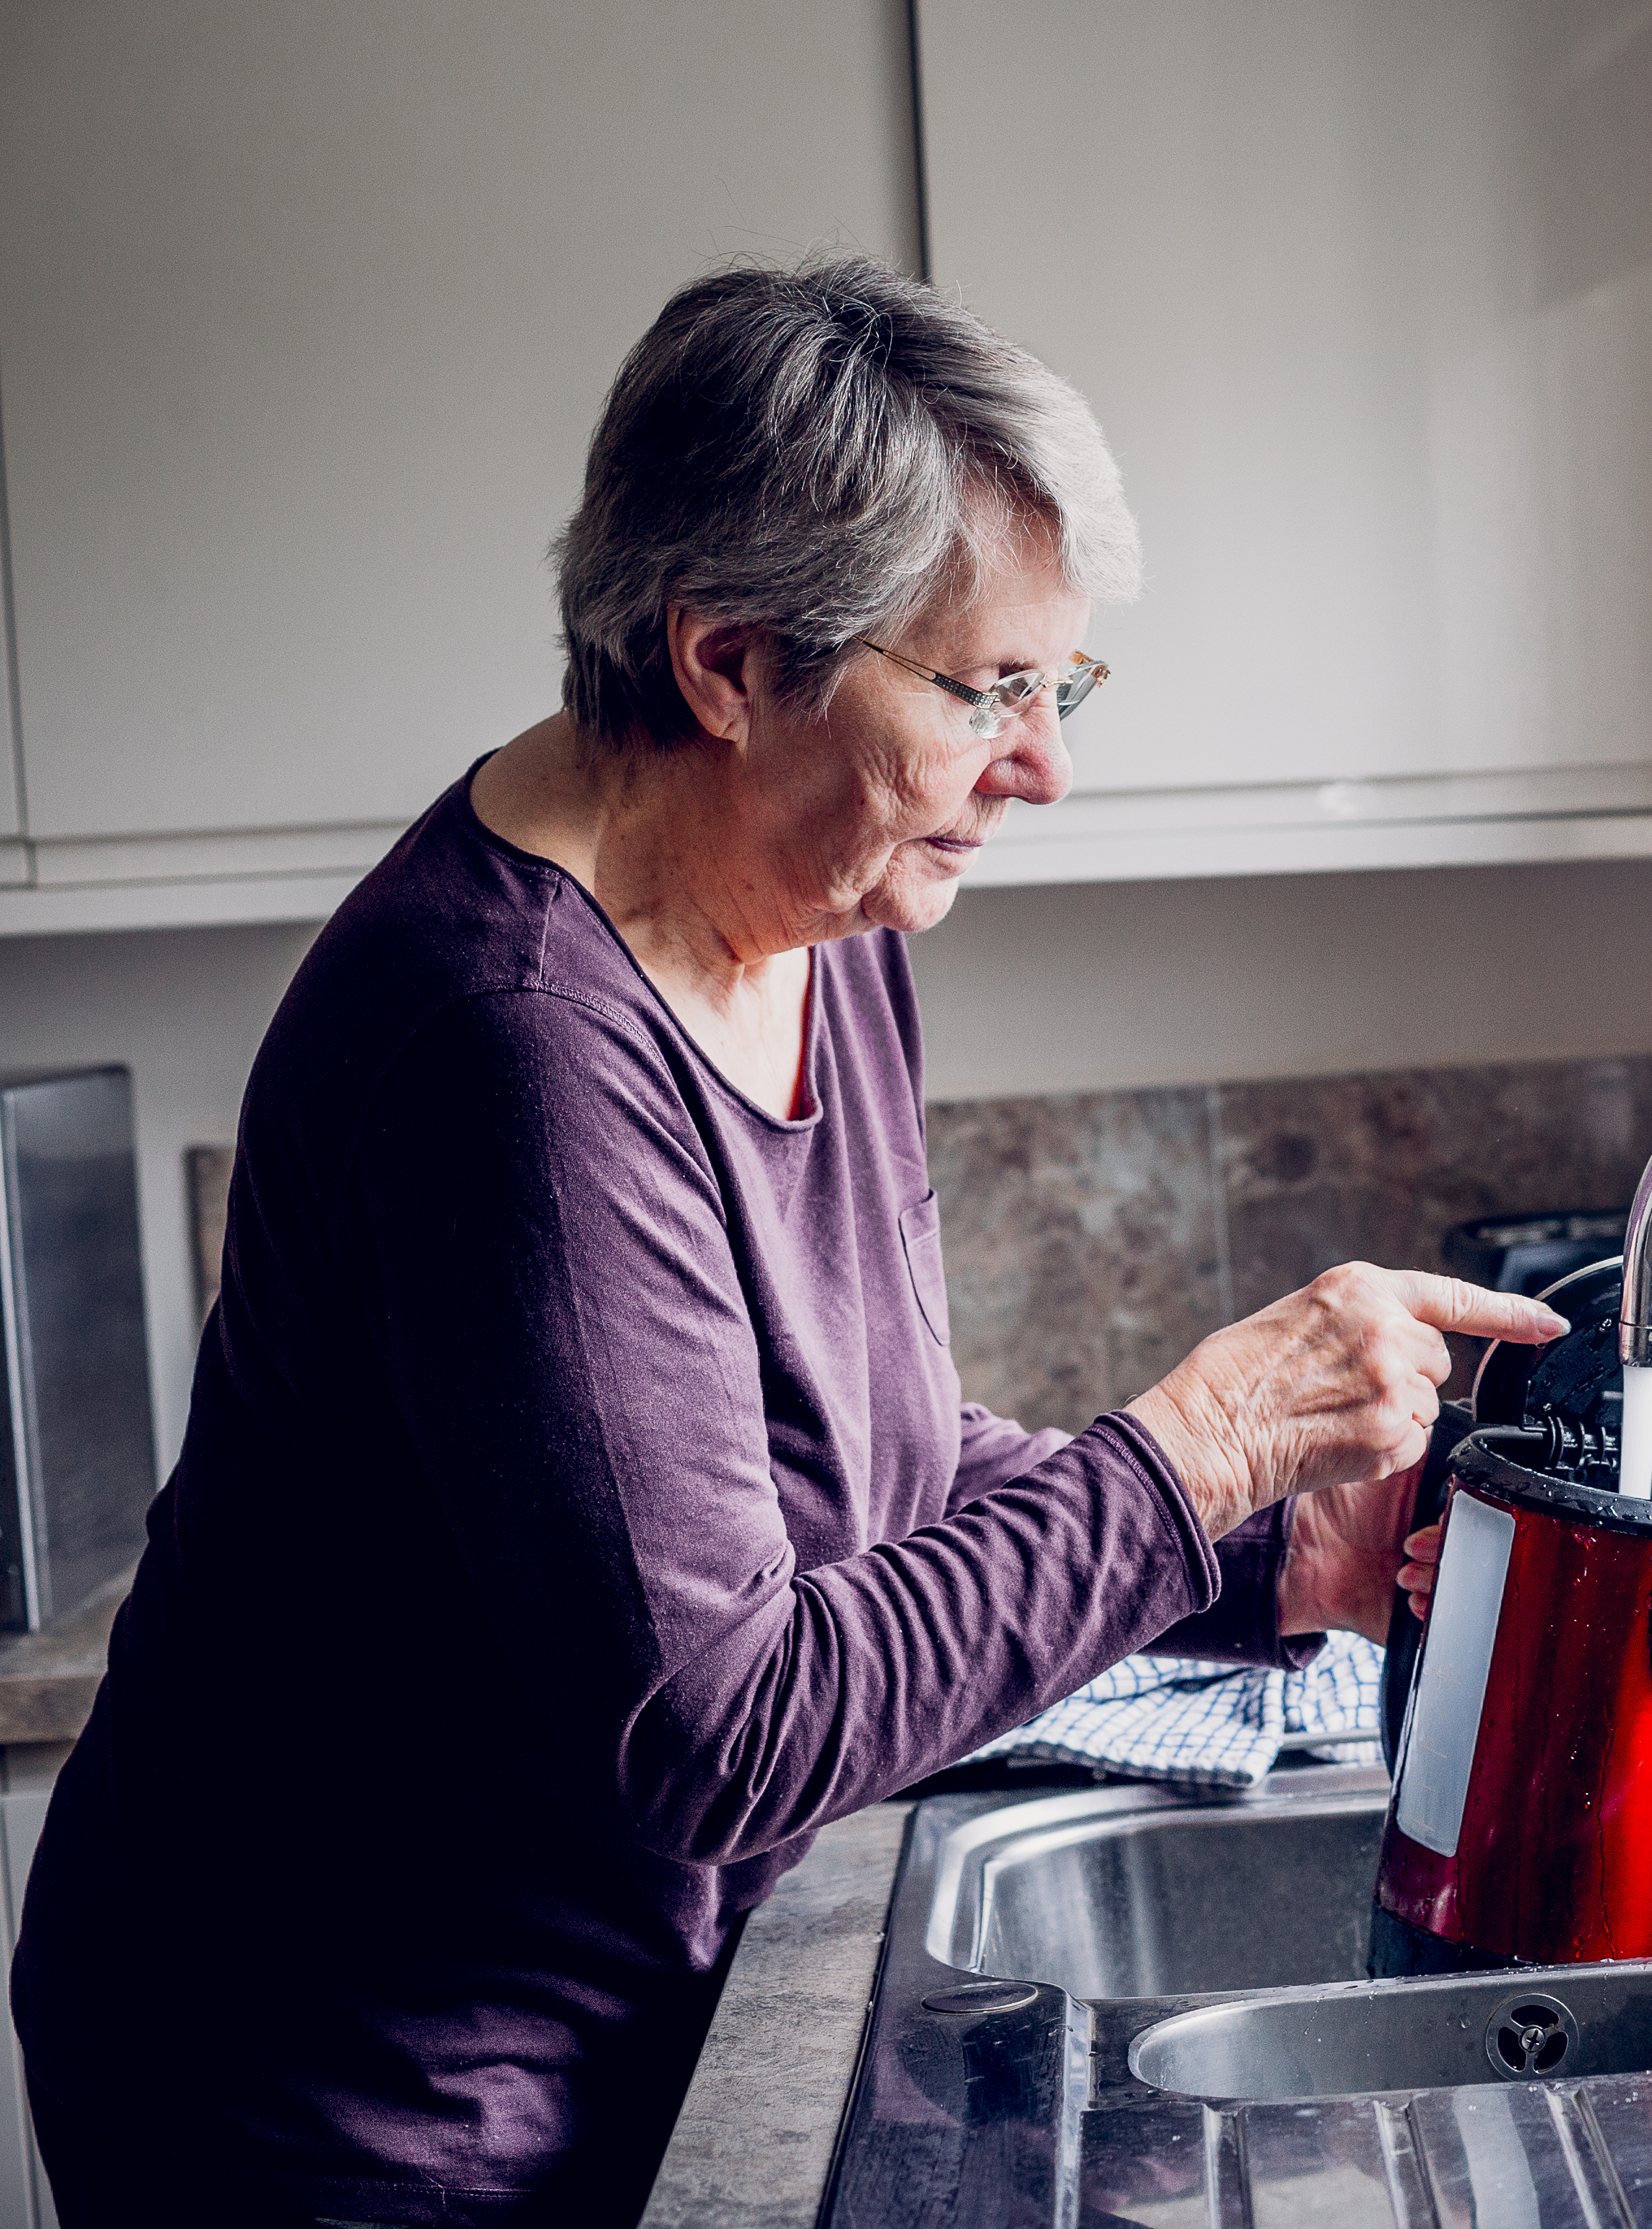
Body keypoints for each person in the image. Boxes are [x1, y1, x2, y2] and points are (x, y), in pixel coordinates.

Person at [7, 254, 1558, 2227]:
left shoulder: (819, 915)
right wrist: (1199, 1450)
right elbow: (722, 1729)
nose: (1045, 764)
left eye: (1057, 683)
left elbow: (863, 1468)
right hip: (352, 2088)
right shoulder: (512, 1049)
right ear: (727, 663)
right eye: (985, 688)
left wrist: (1269, 1546)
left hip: (587, 2009)